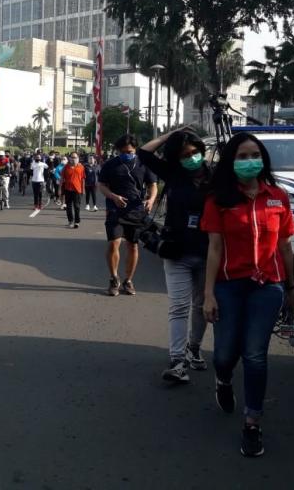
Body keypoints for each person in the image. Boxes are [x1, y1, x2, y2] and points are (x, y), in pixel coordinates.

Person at [201, 132, 294, 458]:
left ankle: (252, 423)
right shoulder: (218, 200)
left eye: (254, 155)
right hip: (229, 286)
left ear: (263, 159)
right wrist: (208, 294)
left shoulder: (278, 197)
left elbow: (285, 246)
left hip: (267, 286)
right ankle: (223, 379)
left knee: (255, 354)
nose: (249, 161)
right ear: (231, 161)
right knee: (225, 354)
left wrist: (291, 288)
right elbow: (214, 249)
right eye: (242, 156)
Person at [139, 127, 213, 384]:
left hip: (209, 252)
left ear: (202, 151)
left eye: (193, 152)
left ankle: (194, 347)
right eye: (184, 155)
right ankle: (177, 360)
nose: (190, 158)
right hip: (176, 251)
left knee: (202, 306)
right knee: (179, 306)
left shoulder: (217, 177)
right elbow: (144, 153)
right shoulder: (173, 174)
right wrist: (171, 135)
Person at [97, 134, 158, 297]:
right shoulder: (110, 165)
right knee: (114, 243)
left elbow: (153, 185)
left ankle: (128, 280)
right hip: (115, 210)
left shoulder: (143, 164)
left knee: (133, 245)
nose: (126, 154)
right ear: (118, 150)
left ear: (135, 149)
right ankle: (114, 278)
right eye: (123, 152)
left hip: (136, 211)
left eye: (129, 151)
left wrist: (151, 199)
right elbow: (101, 185)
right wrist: (113, 196)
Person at [61, 152, 85, 229]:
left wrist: (83, 190)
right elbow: (62, 178)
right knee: (69, 207)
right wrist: (60, 189)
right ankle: (70, 221)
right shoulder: (66, 167)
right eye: (72, 157)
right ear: (69, 158)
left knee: (77, 206)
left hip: (77, 190)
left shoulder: (81, 167)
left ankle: (77, 221)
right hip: (68, 189)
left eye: (75, 157)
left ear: (78, 158)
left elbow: (83, 179)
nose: (73, 159)